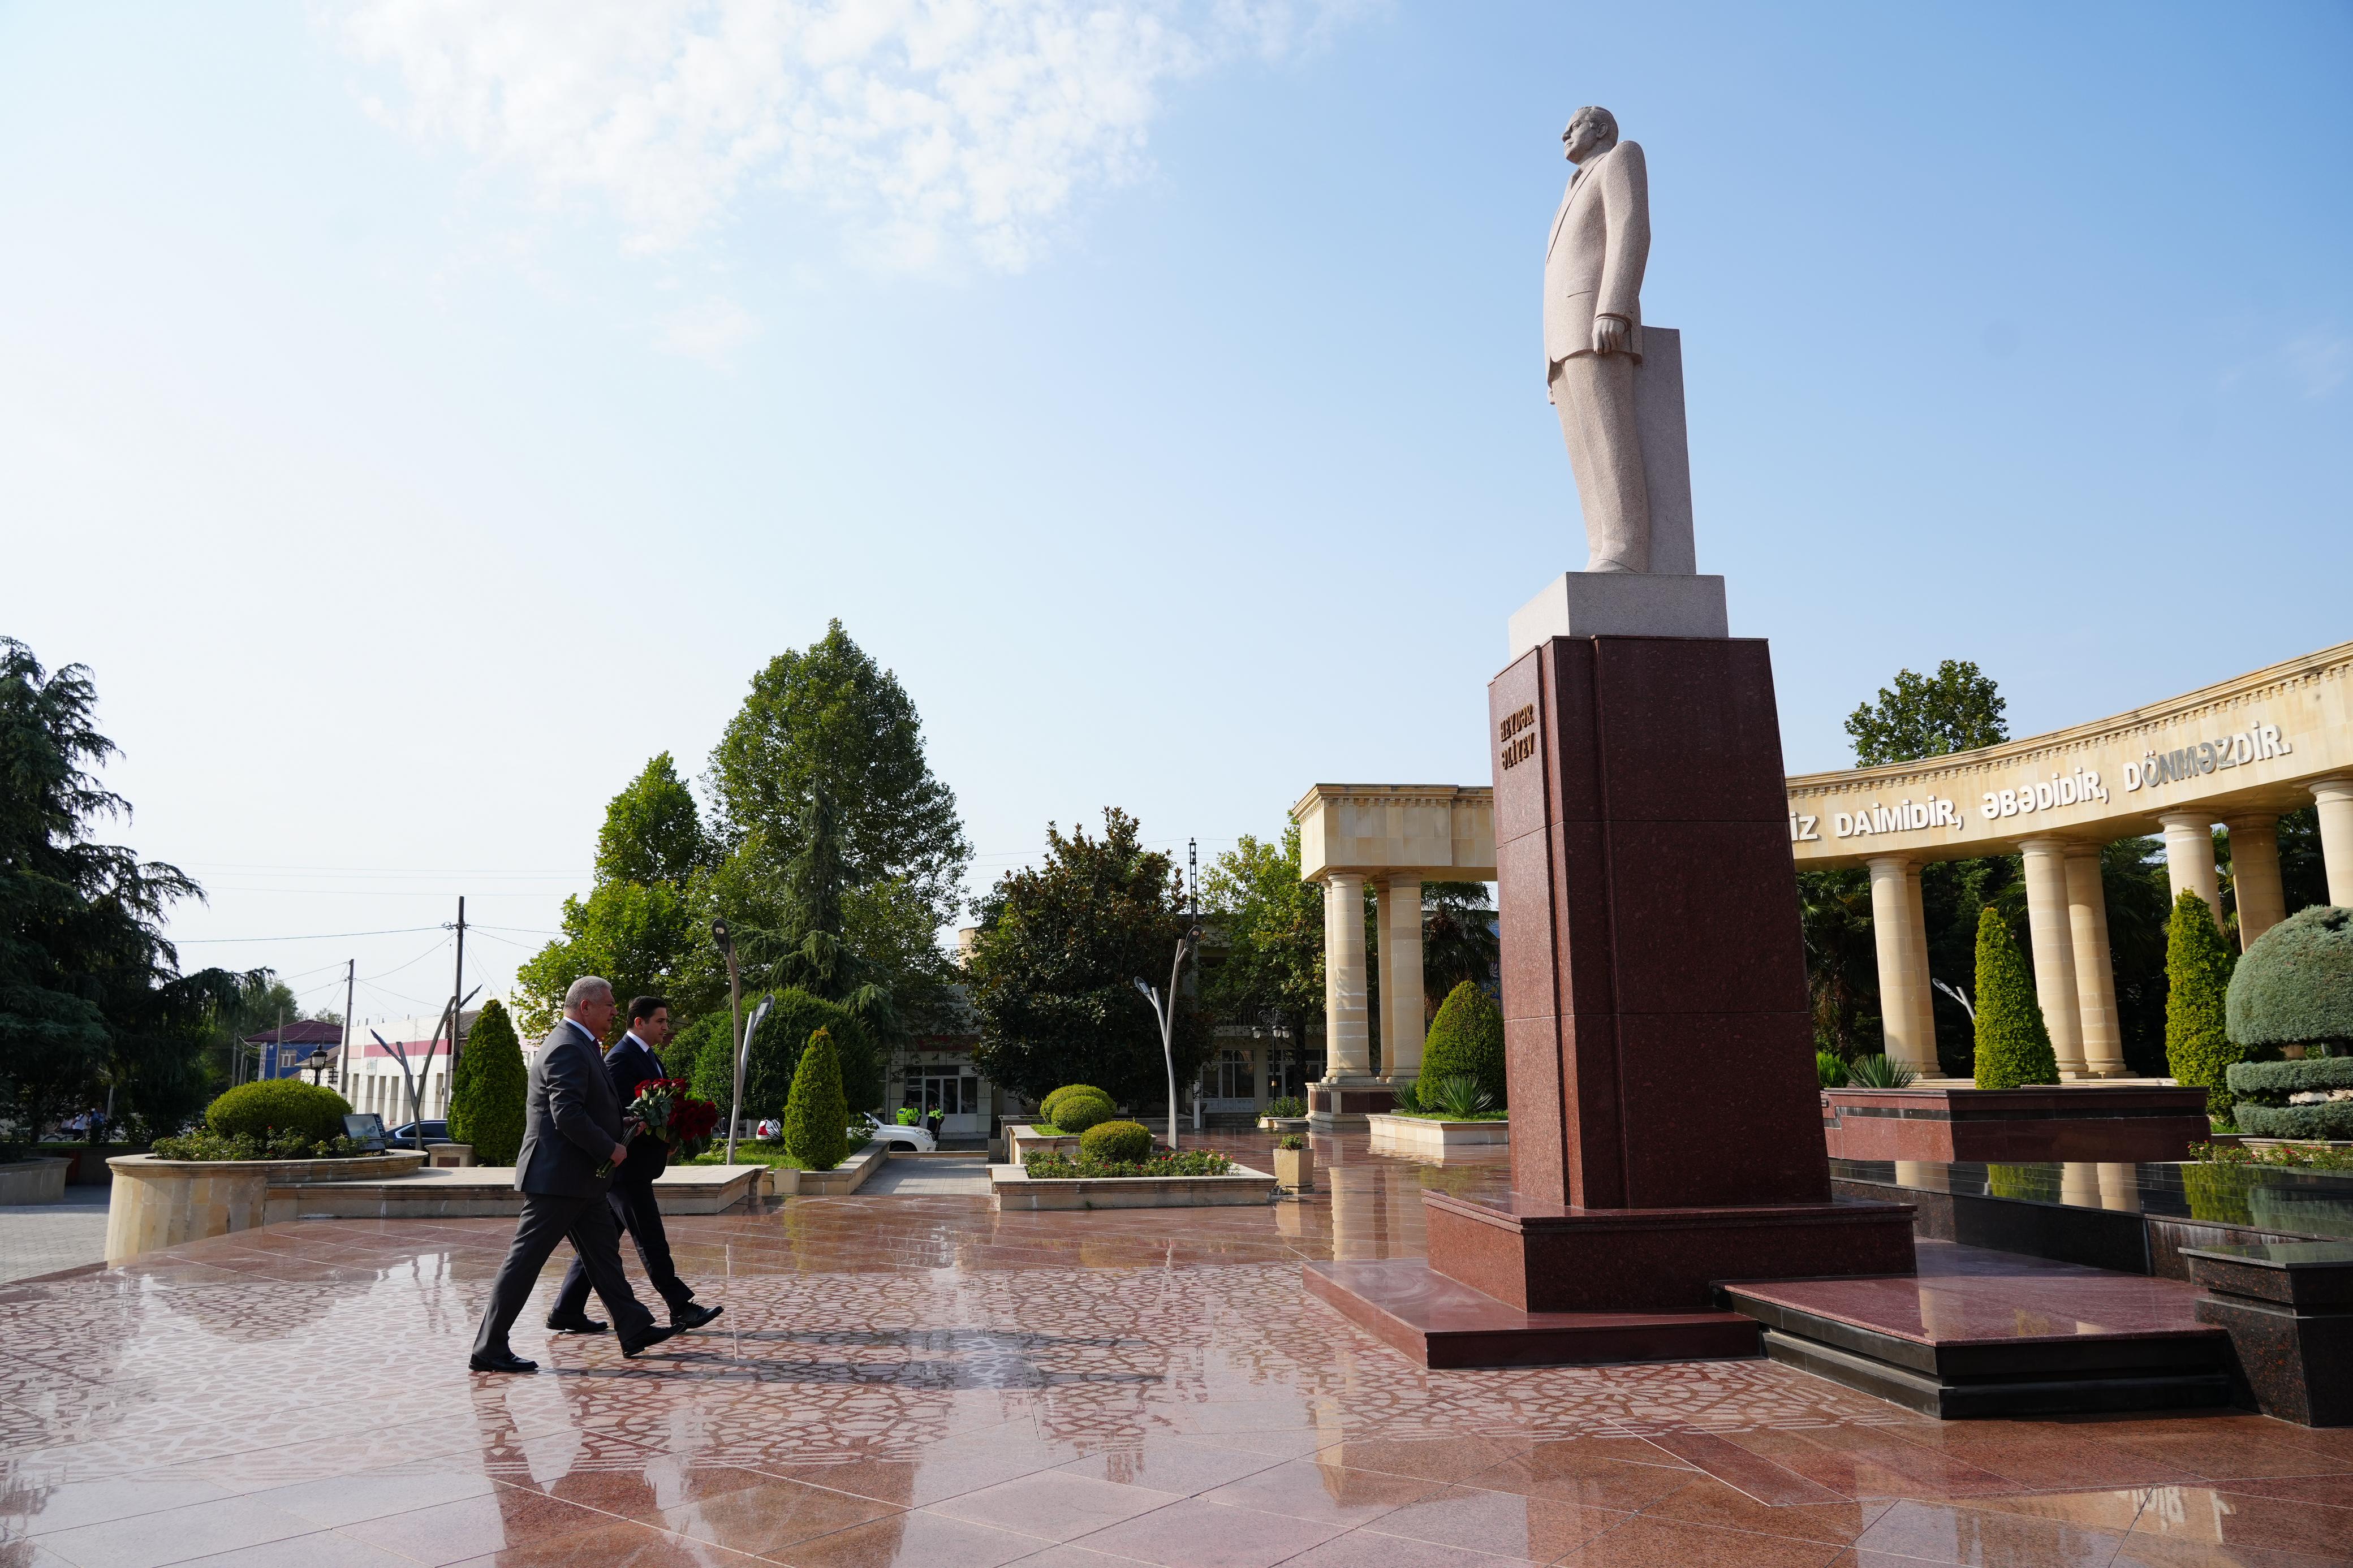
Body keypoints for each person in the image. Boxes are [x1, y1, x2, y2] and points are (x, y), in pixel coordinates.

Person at [468, 977, 677, 1373]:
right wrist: (610, 1148)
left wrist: (620, 1123)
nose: (615, 1011)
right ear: (586, 1007)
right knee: (525, 1261)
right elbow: (566, 1114)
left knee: (604, 1257)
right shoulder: (566, 1046)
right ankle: (489, 1347)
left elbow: (584, 1107)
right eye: (609, 1004)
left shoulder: (582, 1044)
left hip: (581, 1180)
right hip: (558, 1180)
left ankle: (634, 1327)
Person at [547, 994, 722, 1334]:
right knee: (650, 1238)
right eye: (660, 1021)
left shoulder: (651, 1057)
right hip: (625, 1171)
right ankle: (680, 1306)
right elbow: (610, 1113)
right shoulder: (620, 1058)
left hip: (637, 1166)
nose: (666, 1028)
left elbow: (659, 1108)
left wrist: (671, 1135)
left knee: (599, 1246)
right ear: (639, 1023)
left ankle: (567, 1309)